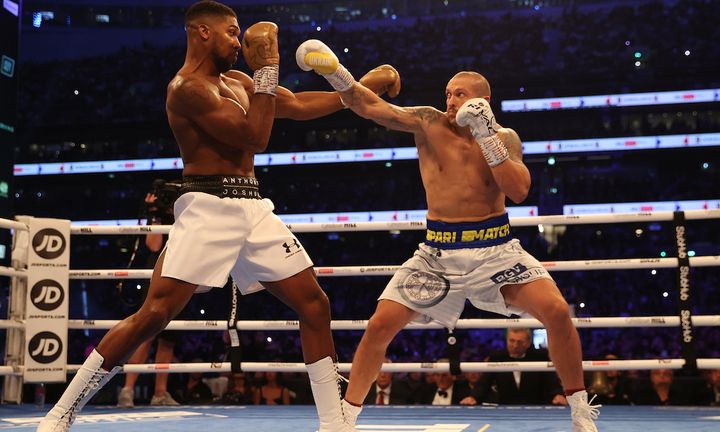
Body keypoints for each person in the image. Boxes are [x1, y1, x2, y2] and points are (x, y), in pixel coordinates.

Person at [37, 2, 400, 431]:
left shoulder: (240, 81)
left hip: (253, 207)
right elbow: (255, 136)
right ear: (202, 33)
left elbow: (298, 105)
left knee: (314, 303)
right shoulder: (186, 89)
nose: (239, 41)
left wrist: (355, 90)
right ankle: (60, 414)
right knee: (153, 315)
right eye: (231, 32)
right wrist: (269, 68)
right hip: (207, 207)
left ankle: (333, 423)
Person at [296, 39, 600, 431]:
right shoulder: (428, 122)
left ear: (484, 100)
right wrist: (332, 70)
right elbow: (368, 105)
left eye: (460, 94)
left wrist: (486, 133)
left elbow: (520, 190)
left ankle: (579, 412)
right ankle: (345, 420)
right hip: (437, 254)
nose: (451, 100)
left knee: (557, 311)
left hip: (497, 250)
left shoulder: (504, 137)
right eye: (448, 93)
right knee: (379, 324)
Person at [117, 192, 181, 408]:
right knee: (146, 333)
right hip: (157, 273)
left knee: (169, 339)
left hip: (182, 270)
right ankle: (127, 390)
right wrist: (155, 214)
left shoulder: (187, 213)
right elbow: (153, 245)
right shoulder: (157, 217)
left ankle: (160, 393)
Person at [460, 328, 565, 405]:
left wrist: (557, 394)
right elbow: (485, 381)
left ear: (528, 343)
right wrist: (473, 397)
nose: (515, 346)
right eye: (512, 341)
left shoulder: (539, 356)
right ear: (506, 340)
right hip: (506, 408)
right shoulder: (497, 357)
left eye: (520, 342)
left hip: (536, 407)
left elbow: (551, 380)